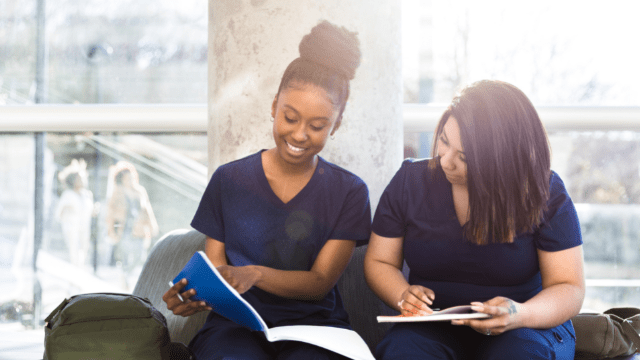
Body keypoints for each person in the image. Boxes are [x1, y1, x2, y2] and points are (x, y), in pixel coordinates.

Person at [162, 20, 371, 360]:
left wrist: (254, 273)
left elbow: (319, 281)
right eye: (290, 117)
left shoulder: (349, 191)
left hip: (315, 329)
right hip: (235, 327)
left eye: (317, 126)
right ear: (274, 106)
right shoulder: (228, 180)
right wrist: (191, 296)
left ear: (337, 125)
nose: (300, 134)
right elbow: (217, 273)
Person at [364, 80, 585, 360]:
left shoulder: (545, 191)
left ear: (502, 161)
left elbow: (569, 287)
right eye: (444, 141)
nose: (445, 161)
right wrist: (402, 293)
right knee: (403, 352)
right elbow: (379, 261)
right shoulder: (410, 182)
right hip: (433, 326)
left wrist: (519, 314)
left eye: (465, 157)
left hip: (526, 326)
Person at [105, 161, 158, 274]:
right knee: (124, 258)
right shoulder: (117, 192)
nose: (129, 179)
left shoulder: (140, 191)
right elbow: (110, 212)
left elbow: (148, 210)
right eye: (126, 177)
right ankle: (125, 280)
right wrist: (110, 230)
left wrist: (152, 226)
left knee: (140, 257)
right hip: (123, 229)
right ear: (122, 178)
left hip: (138, 229)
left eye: (131, 176)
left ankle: (126, 274)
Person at [55, 159, 95, 267]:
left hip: (84, 228)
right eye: (79, 178)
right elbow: (59, 214)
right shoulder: (68, 195)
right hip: (71, 228)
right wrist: (68, 211)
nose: (82, 180)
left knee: (84, 252)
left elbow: (90, 212)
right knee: (74, 253)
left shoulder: (87, 195)